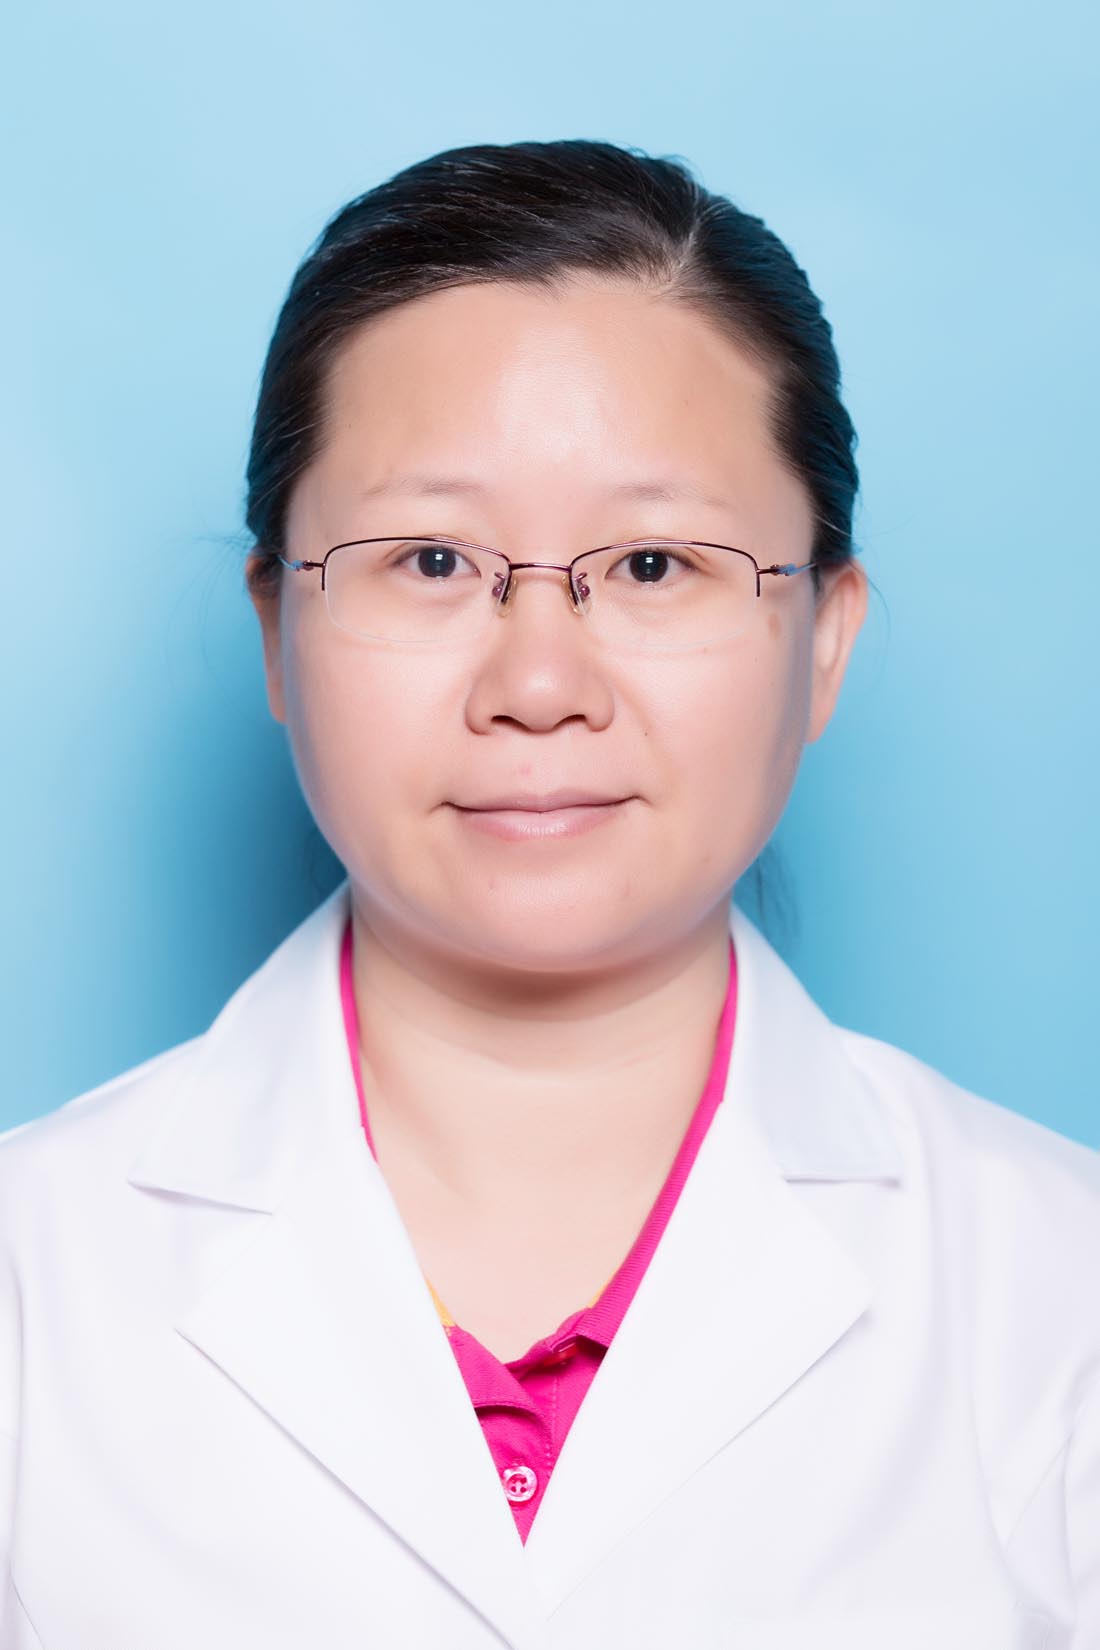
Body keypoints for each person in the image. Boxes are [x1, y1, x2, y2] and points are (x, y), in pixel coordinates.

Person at [1, 139, 1096, 1650]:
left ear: (824, 640)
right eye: (430, 559)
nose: (536, 683)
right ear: (276, 632)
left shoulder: (1059, 1296)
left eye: (652, 564)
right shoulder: (31, 1281)